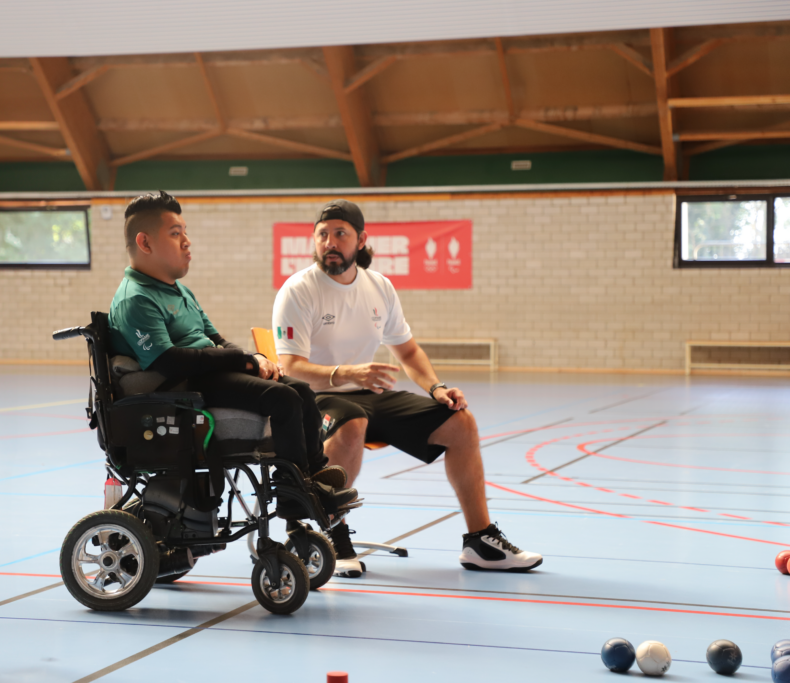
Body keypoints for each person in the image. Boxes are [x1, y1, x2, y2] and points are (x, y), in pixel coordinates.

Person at [274, 199, 542, 576]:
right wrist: (349, 373)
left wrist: (436, 388)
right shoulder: (298, 290)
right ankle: (332, 532)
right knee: (351, 423)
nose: (329, 242)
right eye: (322, 235)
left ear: (361, 240)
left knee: (460, 423)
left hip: (369, 394)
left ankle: (479, 540)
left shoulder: (379, 287)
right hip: (314, 397)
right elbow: (291, 368)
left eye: (340, 234)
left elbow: (409, 351)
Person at [107, 190, 358, 519]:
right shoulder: (135, 298)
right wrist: (243, 361)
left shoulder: (179, 290)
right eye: (175, 233)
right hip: (182, 387)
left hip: (208, 373)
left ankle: (313, 475)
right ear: (145, 242)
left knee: (300, 390)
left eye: (185, 231)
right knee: (282, 399)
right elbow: (167, 361)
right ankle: (292, 495)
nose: (187, 241)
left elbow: (215, 338)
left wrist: (253, 361)